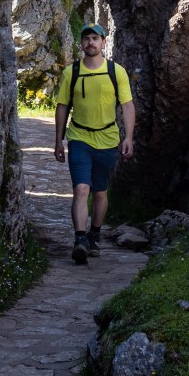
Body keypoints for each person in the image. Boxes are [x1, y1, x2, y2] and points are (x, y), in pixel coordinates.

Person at [53, 22, 135, 265]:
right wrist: (58, 141)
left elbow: (127, 106)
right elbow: (62, 107)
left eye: (95, 38)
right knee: (81, 189)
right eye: (87, 38)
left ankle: (95, 235)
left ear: (103, 43)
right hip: (79, 137)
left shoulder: (116, 72)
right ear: (81, 43)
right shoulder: (71, 73)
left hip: (108, 139)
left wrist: (128, 137)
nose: (91, 42)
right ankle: (80, 240)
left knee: (100, 192)